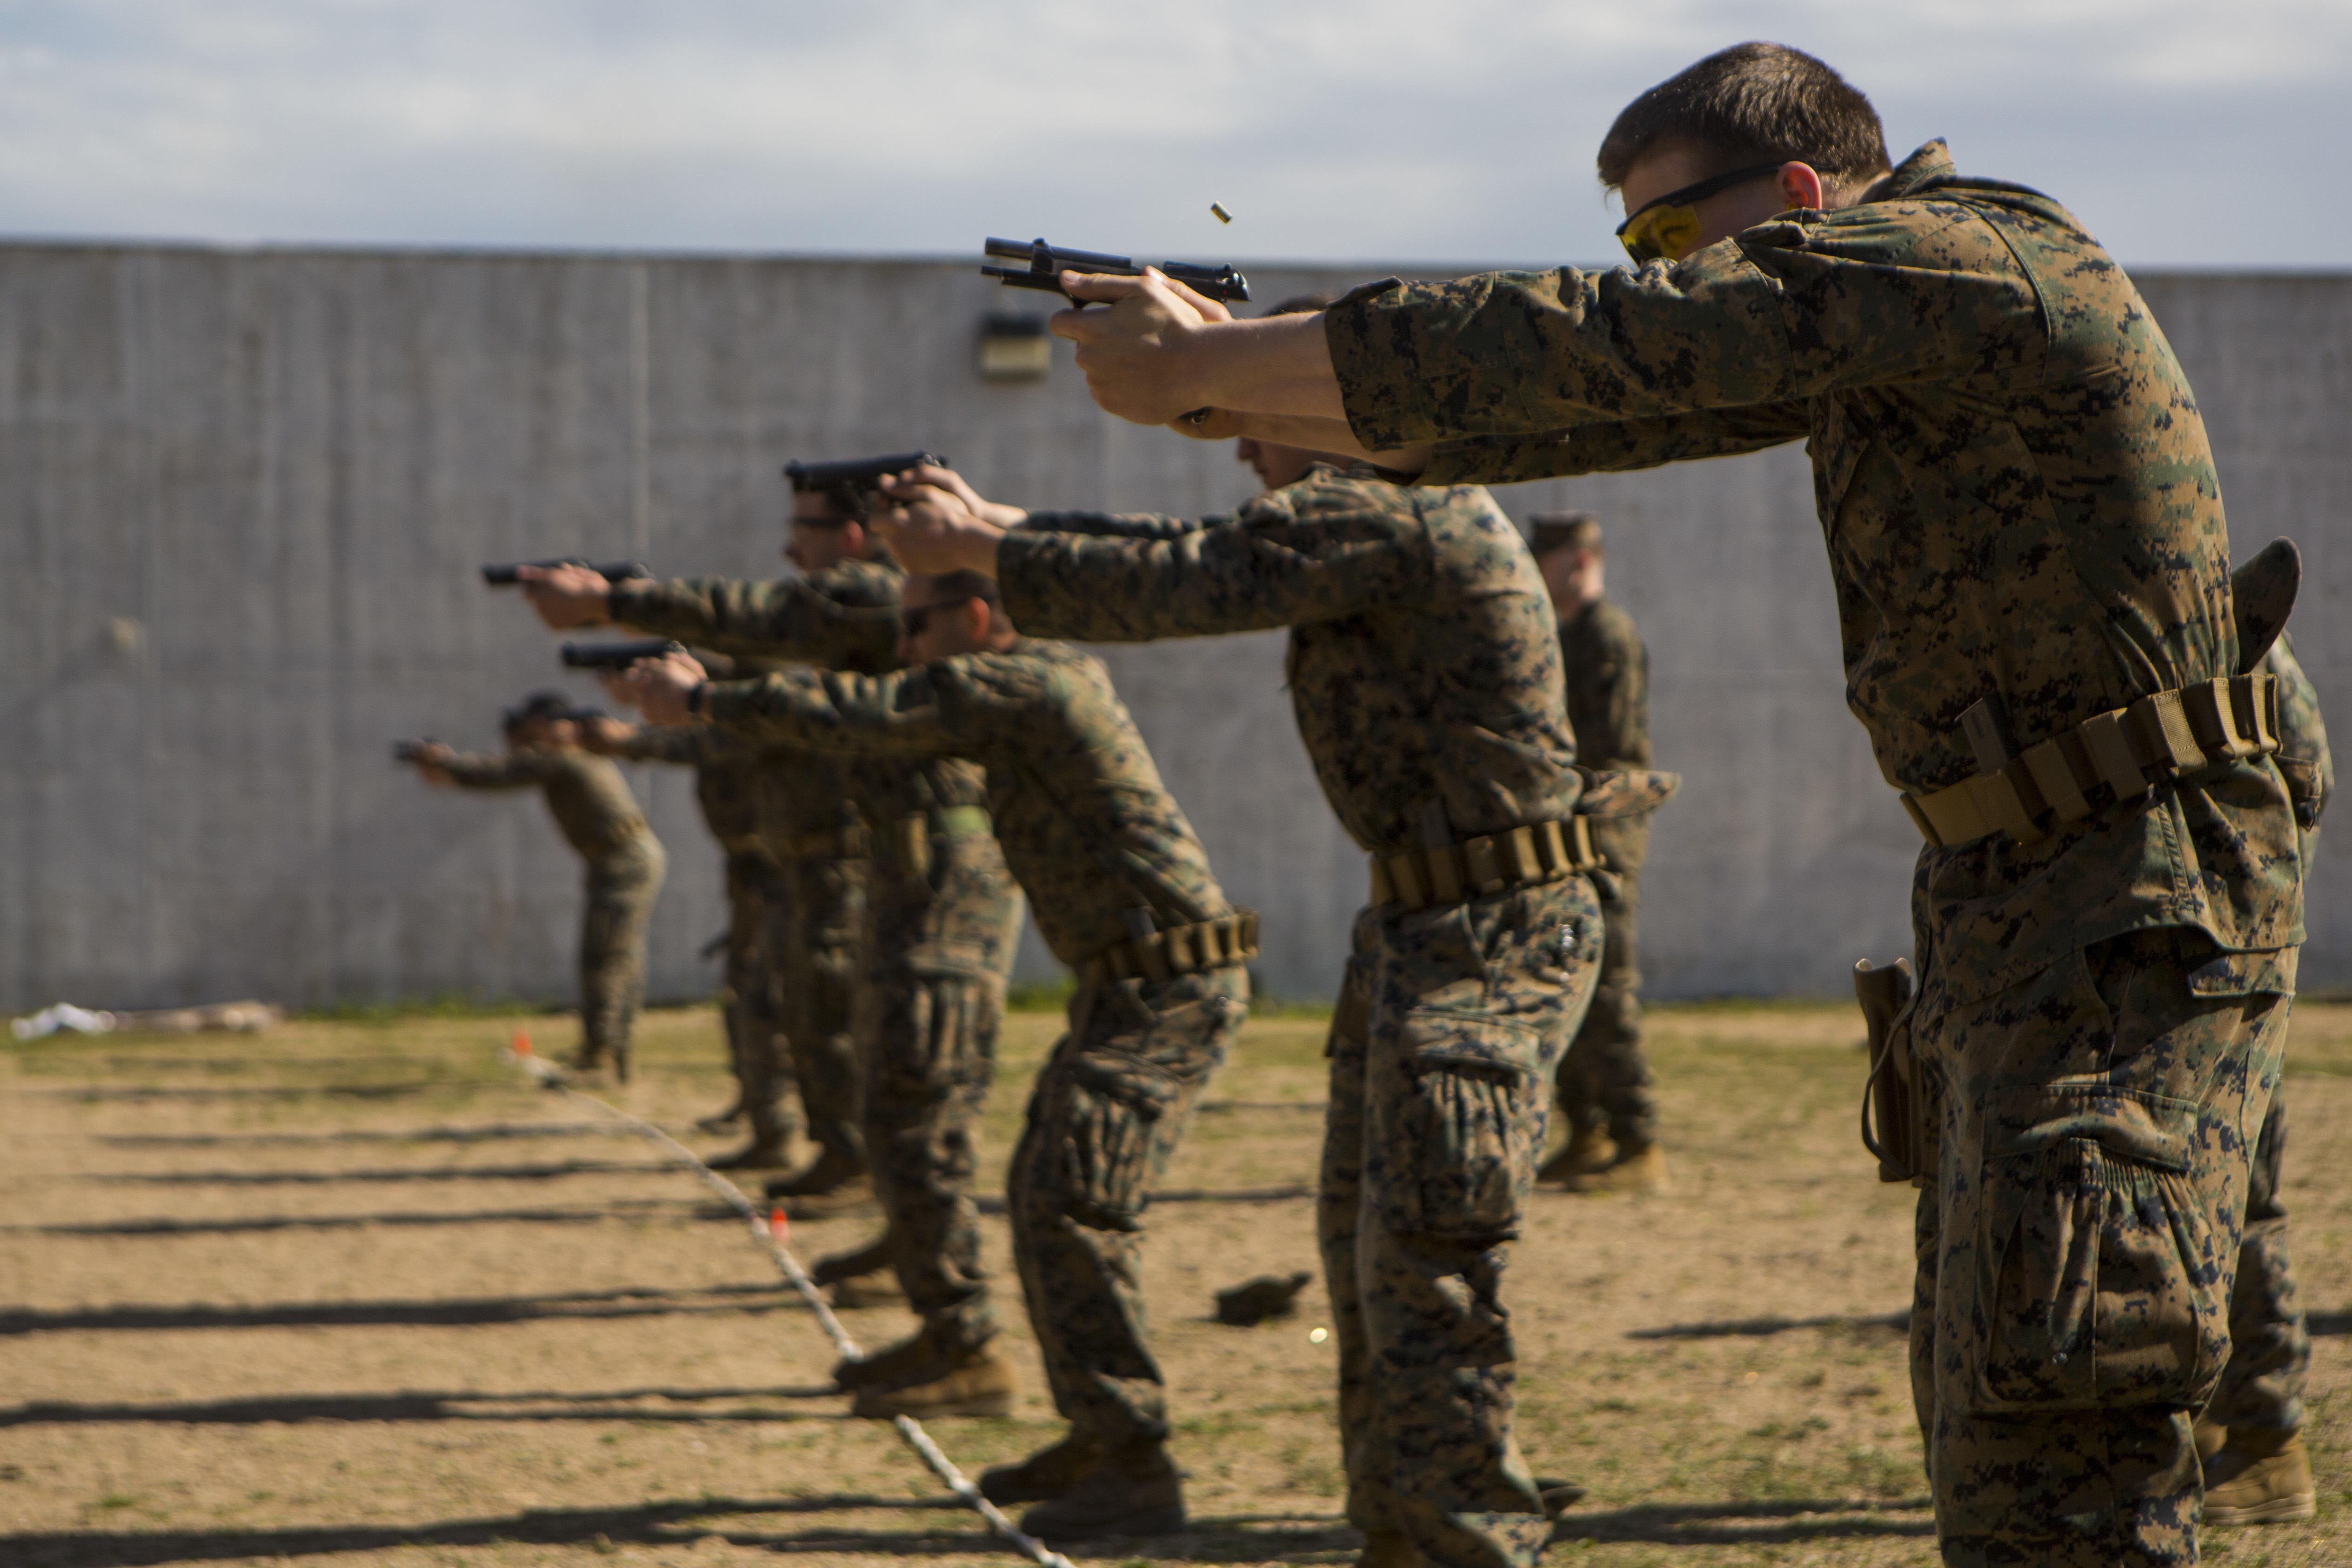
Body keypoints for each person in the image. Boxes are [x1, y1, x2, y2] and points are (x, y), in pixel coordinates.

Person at [1036, 41, 2306, 1568]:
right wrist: (1228, 377)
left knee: (2065, 1420)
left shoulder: (1966, 255)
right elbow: (1585, 411)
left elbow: (1602, 346)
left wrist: (1222, 365)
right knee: (2004, 1423)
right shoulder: (1884, 322)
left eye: (1659, 233)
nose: (1644, 268)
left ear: (1791, 191)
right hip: (2033, 887)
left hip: (2122, 884)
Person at [870, 353, 1627, 1567]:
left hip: (1489, 929)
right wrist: (987, 530)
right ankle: (1402, 1530)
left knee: (1423, 1267)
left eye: (1246, 412)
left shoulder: (1389, 501)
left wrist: (983, 544)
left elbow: (1192, 575)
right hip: (1425, 928)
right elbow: (1188, 543)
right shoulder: (1359, 510)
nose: (1233, 442)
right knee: (1367, 1257)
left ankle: (1468, 1540)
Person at [615, 569, 1255, 1540]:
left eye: (915, 626)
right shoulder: (998, 686)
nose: (903, 644)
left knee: (1068, 1203)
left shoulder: (1030, 678)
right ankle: (1104, 1435)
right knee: (1048, 1198)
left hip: (1167, 981)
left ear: (977, 617)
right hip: (1124, 979)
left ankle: (1134, 1460)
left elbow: (871, 710)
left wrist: (705, 697)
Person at [511, 477, 910, 1209]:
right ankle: (823, 1147)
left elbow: (747, 731)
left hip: (833, 851)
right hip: (790, 852)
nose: (791, 548)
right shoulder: (809, 637)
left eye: (806, 529)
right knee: (786, 1004)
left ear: (851, 537)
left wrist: (659, 695)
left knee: (828, 1013)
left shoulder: (842, 616)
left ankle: (847, 1160)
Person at [2196, 632, 2329, 1526]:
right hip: (2194, 938)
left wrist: (2249, 920)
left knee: (2238, 1192)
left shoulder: (2236, 632)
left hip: (2231, 941)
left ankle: (2269, 1442)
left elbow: (2304, 780)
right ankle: (2212, 1421)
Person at [582, 701, 798, 1168]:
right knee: (747, 991)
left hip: (776, 871)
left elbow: (702, 741)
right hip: (753, 869)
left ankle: (782, 1125)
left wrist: (632, 736)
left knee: (767, 997)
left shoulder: (743, 717)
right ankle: (762, 1113)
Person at [407, 694, 667, 1081]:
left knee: (605, 959)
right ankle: (613, 1054)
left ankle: (603, 1059)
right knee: (619, 958)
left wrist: (448, 764)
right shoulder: (568, 752)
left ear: (545, 723)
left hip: (622, 858)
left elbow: (504, 772)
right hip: (619, 856)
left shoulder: (560, 753)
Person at [1526, 513, 1663, 1193]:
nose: (1534, 570)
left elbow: (1604, 752)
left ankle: (1640, 1141)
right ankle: (1587, 1129)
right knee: (1564, 980)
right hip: (1567, 831)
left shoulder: (1605, 633)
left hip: (1601, 833)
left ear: (1577, 560)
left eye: (1545, 558)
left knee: (1605, 988)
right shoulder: (1566, 633)